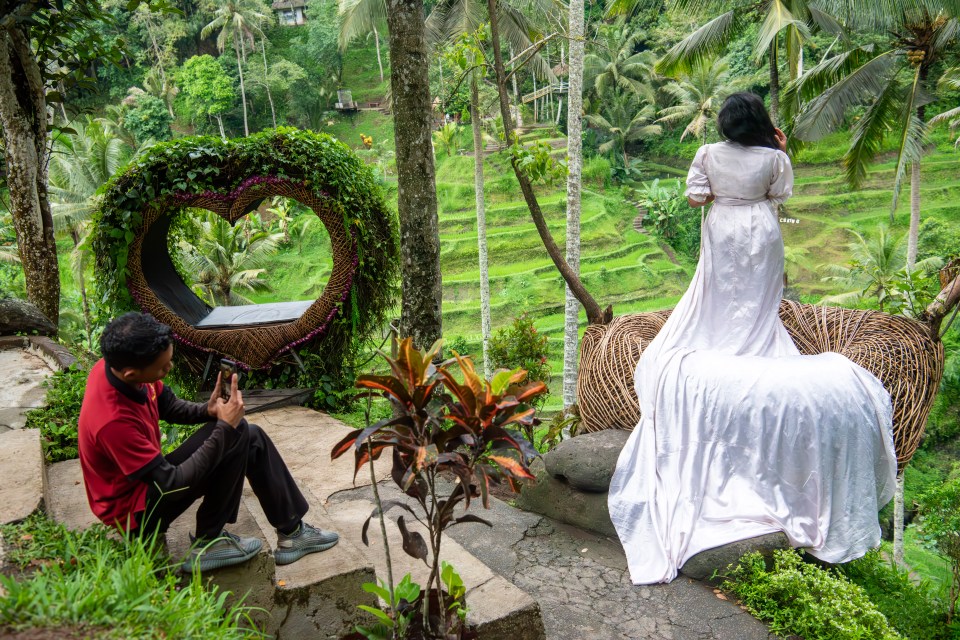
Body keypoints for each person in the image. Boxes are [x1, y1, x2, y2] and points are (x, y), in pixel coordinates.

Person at [607, 93, 898, 585]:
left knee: (722, 291)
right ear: (760, 123)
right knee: (759, 299)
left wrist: (723, 192)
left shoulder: (707, 154)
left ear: (725, 124)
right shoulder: (775, 158)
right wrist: (776, 151)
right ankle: (753, 344)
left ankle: (721, 343)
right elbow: (781, 196)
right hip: (762, 230)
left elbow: (695, 196)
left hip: (722, 227)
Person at [78, 312, 339, 573]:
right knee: (235, 433)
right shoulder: (112, 421)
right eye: (162, 367)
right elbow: (171, 483)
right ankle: (209, 541)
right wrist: (224, 428)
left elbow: (167, 405)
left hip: (149, 481)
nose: (167, 371)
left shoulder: (118, 367)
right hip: (136, 512)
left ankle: (292, 532)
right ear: (131, 373)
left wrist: (209, 410)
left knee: (249, 435)